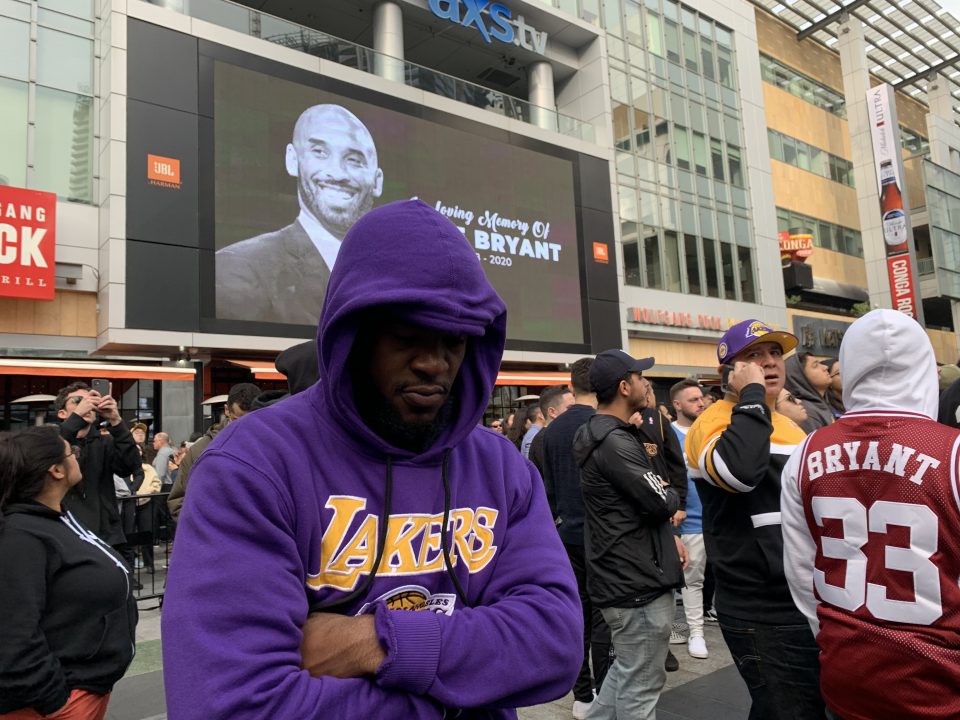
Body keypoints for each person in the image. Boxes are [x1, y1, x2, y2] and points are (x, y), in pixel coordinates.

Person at [162, 199, 582, 718]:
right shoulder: (252, 467)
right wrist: (462, 688)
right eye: (406, 338)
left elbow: (554, 644)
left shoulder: (500, 467)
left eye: (454, 341)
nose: (434, 364)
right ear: (354, 336)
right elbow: (232, 705)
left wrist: (373, 643)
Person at [782, 309, 960, 720]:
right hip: (939, 686)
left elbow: (801, 573)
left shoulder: (805, 453)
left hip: (847, 673)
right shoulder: (951, 453)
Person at [684, 319, 823, 720]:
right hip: (760, 604)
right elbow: (739, 471)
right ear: (731, 370)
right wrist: (751, 395)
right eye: (755, 355)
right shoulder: (713, 420)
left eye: (776, 353)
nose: (770, 362)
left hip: (802, 594)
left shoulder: (791, 427)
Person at [573, 350, 686, 720]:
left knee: (627, 673)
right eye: (640, 376)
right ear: (624, 387)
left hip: (625, 574)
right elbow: (662, 501)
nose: (646, 382)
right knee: (642, 687)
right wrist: (667, 492)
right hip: (636, 582)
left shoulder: (608, 434)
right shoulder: (614, 442)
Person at [0, 427, 137, 719]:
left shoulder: (58, 517)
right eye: (70, 452)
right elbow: (13, 635)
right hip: (55, 703)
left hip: (86, 689)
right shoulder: (19, 536)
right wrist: (57, 703)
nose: (77, 456)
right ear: (56, 471)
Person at [216, 104, 384, 325]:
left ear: (377, 181)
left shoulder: (398, 277)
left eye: (354, 160)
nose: (337, 173)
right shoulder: (240, 267)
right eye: (320, 153)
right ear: (292, 160)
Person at [541, 358, 610, 720]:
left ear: (572, 387)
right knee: (603, 617)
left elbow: (544, 489)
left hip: (565, 533)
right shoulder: (604, 425)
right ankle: (602, 691)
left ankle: (583, 693)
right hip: (604, 536)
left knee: (580, 615)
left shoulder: (548, 433)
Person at [55, 382, 140, 552]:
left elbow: (129, 466)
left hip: (105, 533)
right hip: (65, 532)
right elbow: (48, 456)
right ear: (62, 413)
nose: (87, 405)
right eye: (78, 400)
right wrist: (76, 419)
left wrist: (116, 421)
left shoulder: (105, 441)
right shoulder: (54, 440)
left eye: (91, 400)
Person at [167, 382, 261, 520]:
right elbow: (178, 501)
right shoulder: (200, 450)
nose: (243, 427)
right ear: (226, 410)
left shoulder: (270, 445)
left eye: (250, 421)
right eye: (237, 420)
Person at [668, 379, 709, 660]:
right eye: (693, 399)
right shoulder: (666, 435)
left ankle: (696, 629)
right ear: (677, 404)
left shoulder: (710, 431)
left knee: (702, 580)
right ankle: (693, 632)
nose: (701, 402)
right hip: (684, 522)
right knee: (687, 580)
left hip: (713, 519)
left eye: (701, 398)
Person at [527, 385, 573, 478]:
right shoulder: (544, 439)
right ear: (552, 412)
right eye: (570, 408)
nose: (575, 411)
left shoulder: (549, 436)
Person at [784, 351, 834, 432]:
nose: (825, 367)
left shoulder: (820, 404)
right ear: (800, 377)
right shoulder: (805, 412)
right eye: (815, 365)